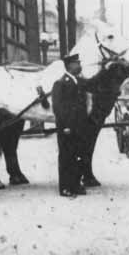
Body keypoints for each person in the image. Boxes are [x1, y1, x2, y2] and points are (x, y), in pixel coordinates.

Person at [51, 52, 89, 198]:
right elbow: (58, 108)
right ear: (70, 66)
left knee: (77, 156)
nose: (80, 65)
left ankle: (75, 184)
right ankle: (65, 187)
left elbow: (92, 82)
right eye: (77, 63)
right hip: (67, 128)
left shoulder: (77, 81)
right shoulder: (60, 83)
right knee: (66, 157)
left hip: (78, 128)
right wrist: (65, 126)